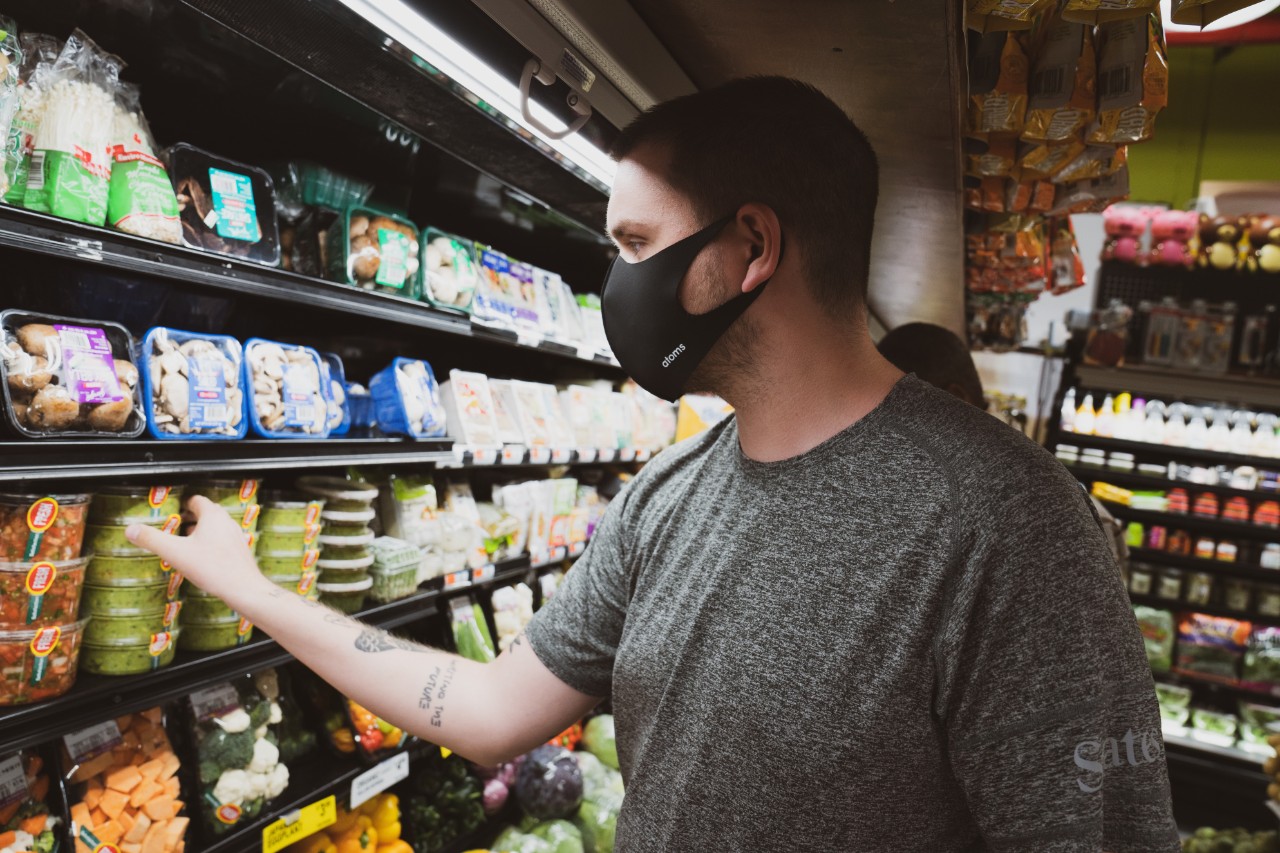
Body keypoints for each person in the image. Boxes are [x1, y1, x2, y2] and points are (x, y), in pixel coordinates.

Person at [129, 77, 1178, 852]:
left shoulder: (1012, 529)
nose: (613, 280)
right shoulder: (666, 499)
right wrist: (251, 589)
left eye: (633, 243)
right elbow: (492, 707)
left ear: (749, 248)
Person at [878, 321, 1131, 568]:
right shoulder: (938, 495)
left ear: (952, 399)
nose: (885, 437)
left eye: (899, 413)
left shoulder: (1044, 514)